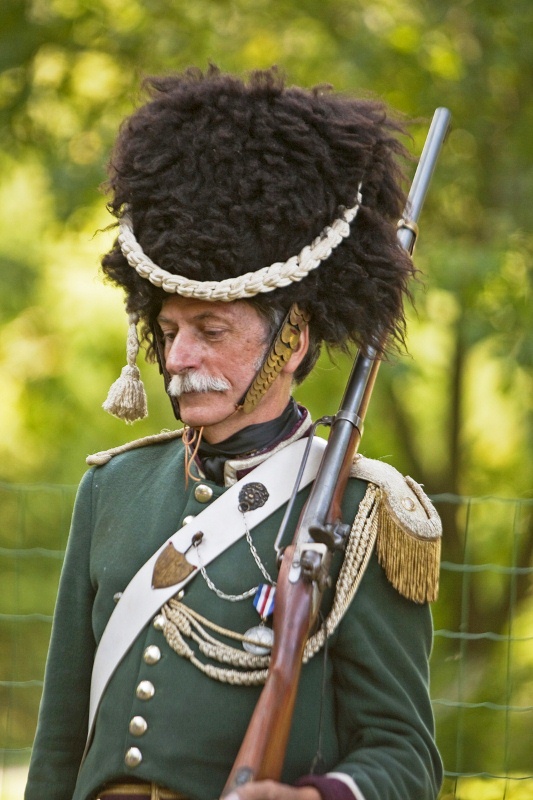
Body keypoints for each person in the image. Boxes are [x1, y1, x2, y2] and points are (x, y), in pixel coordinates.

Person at [25, 66, 443, 800]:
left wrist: (314, 797)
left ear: (292, 341)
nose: (178, 359)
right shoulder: (113, 488)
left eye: (211, 331)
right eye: (169, 331)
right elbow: (60, 742)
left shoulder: (364, 513)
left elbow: (405, 754)